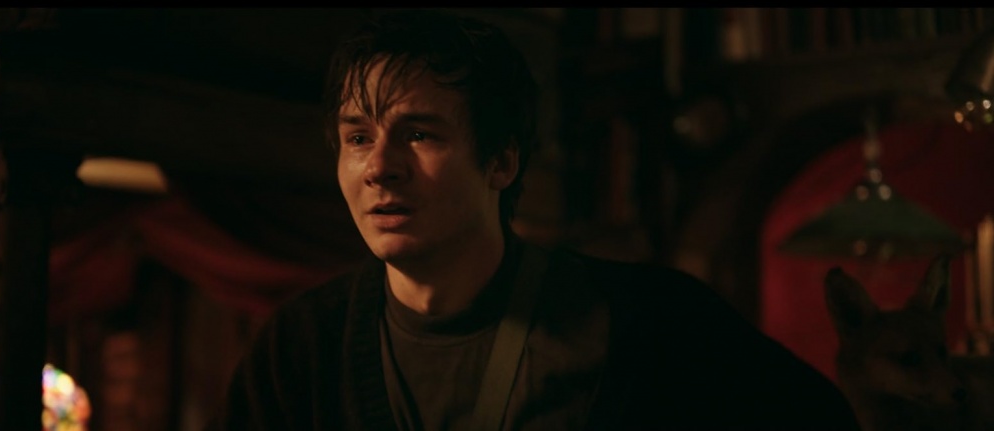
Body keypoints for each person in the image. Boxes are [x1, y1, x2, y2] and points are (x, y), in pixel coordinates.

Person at [205, 8, 861, 431]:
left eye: (420, 134)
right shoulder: (300, 350)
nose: (379, 166)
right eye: (357, 138)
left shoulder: (648, 323)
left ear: (501, 162)